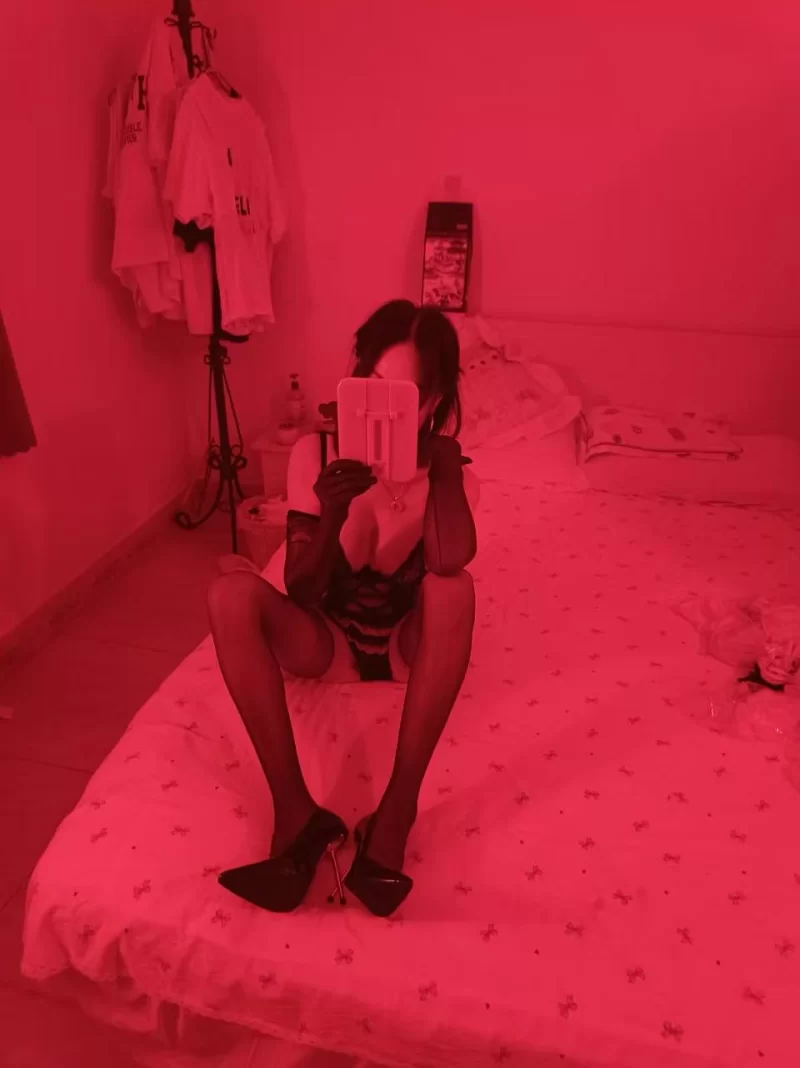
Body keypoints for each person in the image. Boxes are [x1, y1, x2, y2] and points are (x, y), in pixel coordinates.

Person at [208, 300, 479, 916]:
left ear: (431, 403)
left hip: (406, 651)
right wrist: (331, 513)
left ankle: (395, 816)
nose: (380, 405)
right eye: (370, 382)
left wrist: (444, 473)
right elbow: (301, 590)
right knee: (228, 592)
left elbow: (449, 560)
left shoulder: (449, 472)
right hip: (326, 643)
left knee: (455, 588)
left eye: (402, 394)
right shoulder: (315, 452)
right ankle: (296, 814)